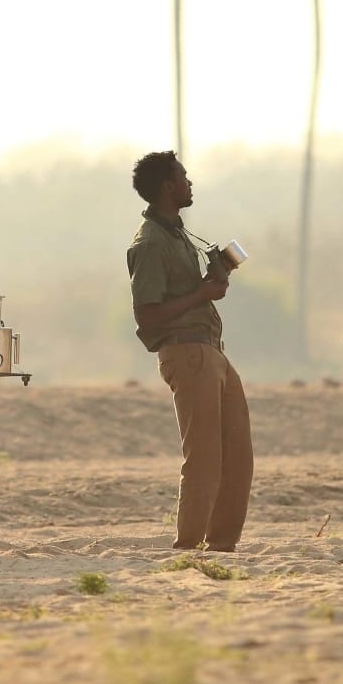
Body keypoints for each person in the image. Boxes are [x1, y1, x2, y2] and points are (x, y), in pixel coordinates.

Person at [126, 150, 253, 552]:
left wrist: (211, 279)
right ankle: (187, 546)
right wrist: (204, 292)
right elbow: (147, 316)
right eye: (183, 176)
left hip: (210, 350)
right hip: (187, 352)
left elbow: (180, 294)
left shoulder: (176, 235)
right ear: (168, 186)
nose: (189, 182)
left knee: (238, 456)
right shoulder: (148, 244)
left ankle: (220, 546)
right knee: (203, 458)